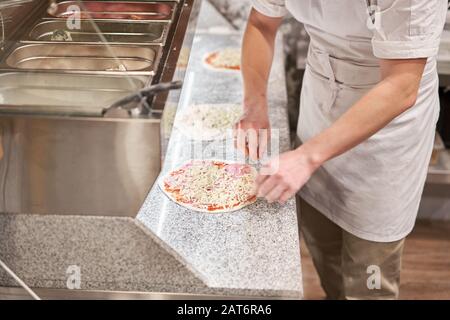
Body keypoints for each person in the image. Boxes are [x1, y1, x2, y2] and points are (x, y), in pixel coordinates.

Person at [235, 0, 447, 299]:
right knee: (322, 242)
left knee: (369, 271)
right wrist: (254, 104)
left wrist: (307, 157)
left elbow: (401, 85)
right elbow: (261, 24)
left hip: (387, 131)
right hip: (321, 97)